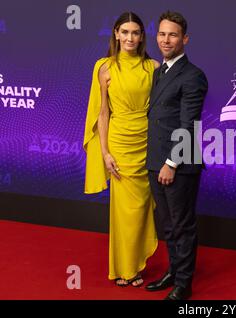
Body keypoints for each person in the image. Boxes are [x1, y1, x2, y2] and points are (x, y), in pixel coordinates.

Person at [83, 12, 160, 287]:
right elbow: (102, 114)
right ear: (116, 34)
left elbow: (160, 111)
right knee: (122, 211)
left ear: (141, 36)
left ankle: (135, 262)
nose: (130, 38)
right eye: (124, 32)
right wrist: (105, 153)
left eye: (135, 32)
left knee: (141, 209)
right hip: (119, 143)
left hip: (147, 142)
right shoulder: (103, 67)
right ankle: (125, 268)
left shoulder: (153, 66)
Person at [144, 11, 208, 300]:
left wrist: (171, 163)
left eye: (172, 34)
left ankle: (184, 284)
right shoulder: (159, 71)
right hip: (156, 161)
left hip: (178, 164)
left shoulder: (193, 76)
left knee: (182, 225)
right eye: (161, 34)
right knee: (167, 225)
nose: (165, 40)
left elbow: (188, 126)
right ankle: (173, 271)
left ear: (185, 39)